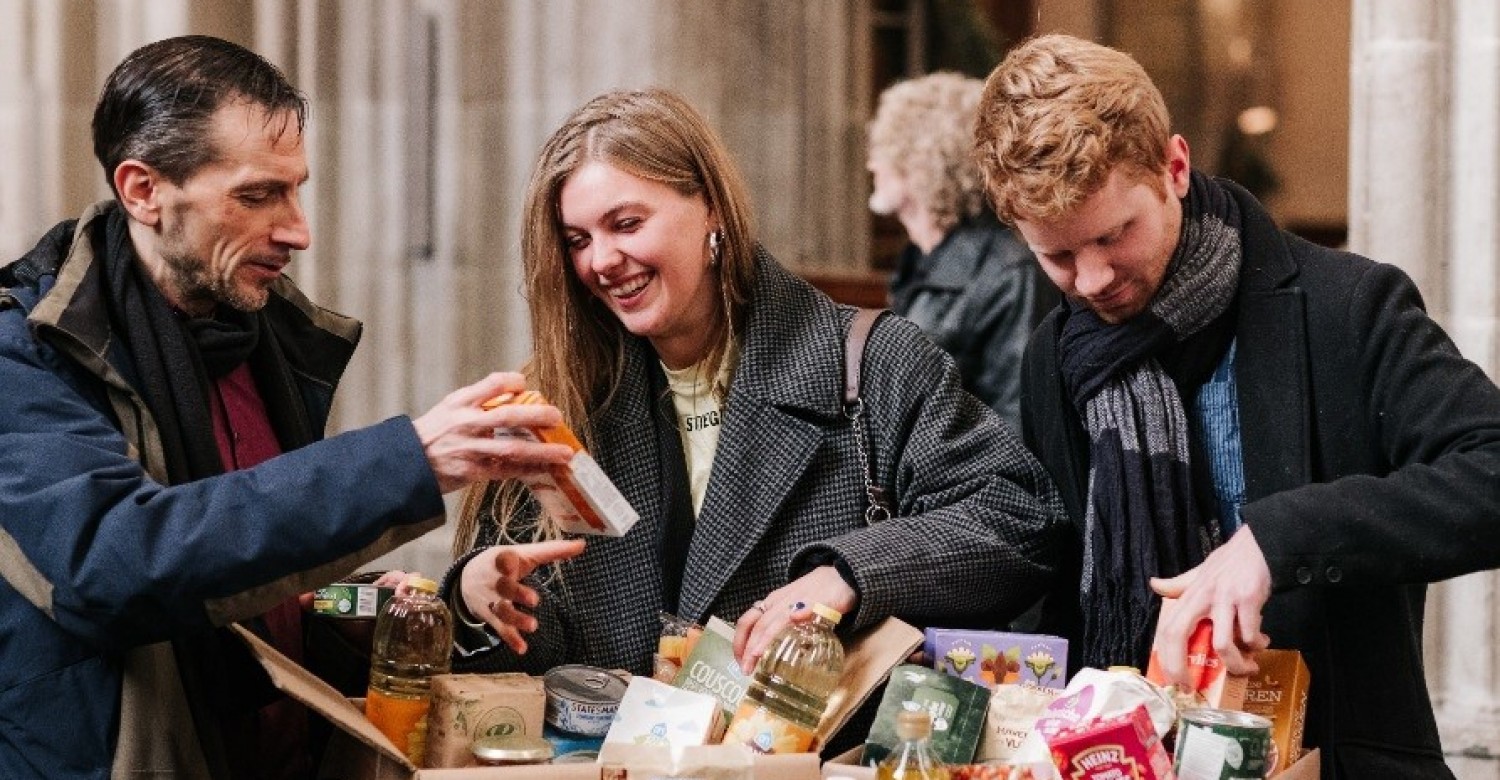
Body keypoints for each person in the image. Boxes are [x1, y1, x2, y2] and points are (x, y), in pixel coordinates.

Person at [0, 36, 581, 779]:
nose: (298, 230)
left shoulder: (263, 342)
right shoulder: (29, 355)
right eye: (257, 195)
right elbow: (116, 565)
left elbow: (270, 592)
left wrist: (431, 604)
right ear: (143, 190)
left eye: (296, 188)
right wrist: (410, 459)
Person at [441, 89, 1066, 730]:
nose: (601, 260)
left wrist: (847, 575)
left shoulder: (873, 364)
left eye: (626, 224)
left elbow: (1020, 518)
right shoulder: (560, 405)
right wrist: (475, 599)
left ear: (711, 206)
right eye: (577, 239)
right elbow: (541, 661)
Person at [974, 33, 1500, 777]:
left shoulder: (1347, 306)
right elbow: (1060, 596)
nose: (1091, 281)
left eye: (1113, 236)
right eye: (1056, 256)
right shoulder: (1053, 358)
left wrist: (1272, 542)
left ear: (1175, 167)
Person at [868, 72, 1057, 428]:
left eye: (883, 149)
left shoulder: (1008, 272)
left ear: (922, 159)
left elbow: (1017, 421)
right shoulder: (922, 261)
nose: (872, 164)